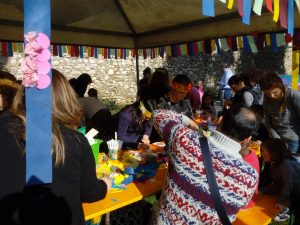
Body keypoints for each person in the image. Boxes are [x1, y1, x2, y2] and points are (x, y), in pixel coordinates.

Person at [0, 69, 111, 225]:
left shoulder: (5, 128)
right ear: (65, 98)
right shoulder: (76, 141)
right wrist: (106, 183)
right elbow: (90, 193)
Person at [151, 104, 259, 224]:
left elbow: (158, 115)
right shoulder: (250, 177)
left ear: (220, 120)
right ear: (247, 140)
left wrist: (187, 120)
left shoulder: (184, 139)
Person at [260, 138, 300, 224]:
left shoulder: (286, 165)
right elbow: (278, 184)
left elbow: (287, 185)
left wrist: (281, 202)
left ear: (274, 152)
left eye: (263, 151)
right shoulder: (274, 164)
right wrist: (263, 191)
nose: (261, 153)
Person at [259, 72, 300, 154]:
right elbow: (267, 120)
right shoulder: (267, 99)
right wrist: (276, 139)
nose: (272, 96)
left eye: (275, 92)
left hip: (294, 140)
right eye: (267, 93)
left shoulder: (292, 95)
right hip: (277, 139)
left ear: (281, 87)